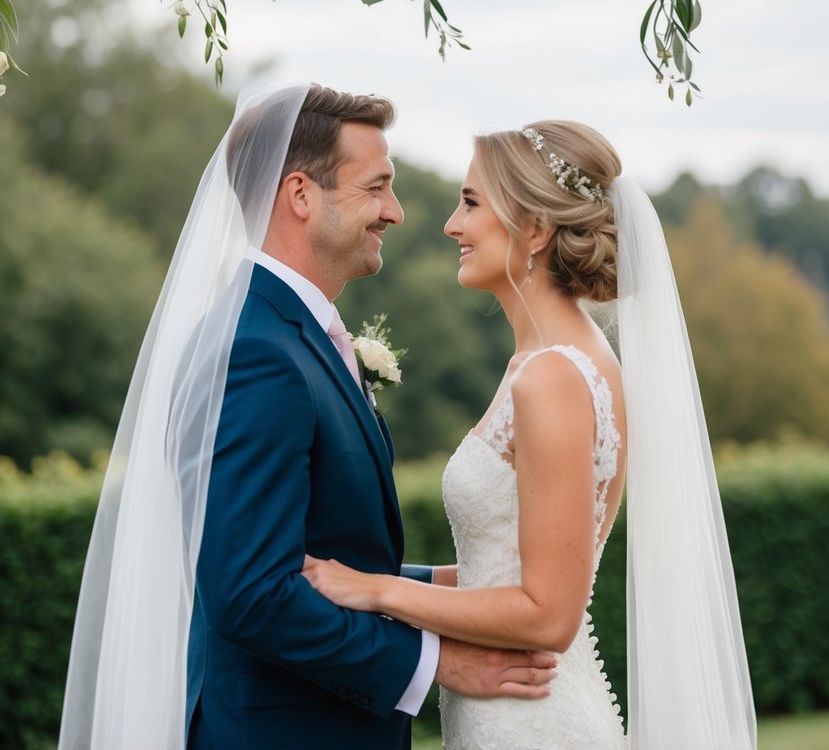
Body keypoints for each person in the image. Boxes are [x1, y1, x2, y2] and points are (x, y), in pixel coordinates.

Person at [58, 84, 556, 750]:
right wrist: (437, 662)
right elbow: (251, 591)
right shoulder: (254, 351)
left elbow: (317, 557)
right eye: (376, 188)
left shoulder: (296, 335)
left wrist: (439, 585)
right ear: (300, 195)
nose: (397, 213)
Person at [304, 119, 758, 750]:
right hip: (505, 710)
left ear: (537, 229)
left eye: (470, 203)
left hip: (531, 721)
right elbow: (503, 570)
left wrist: (376, 589)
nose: (451, 226)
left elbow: (548, 613)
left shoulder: (553, 378)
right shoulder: (549, 361)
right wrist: (369, 579)